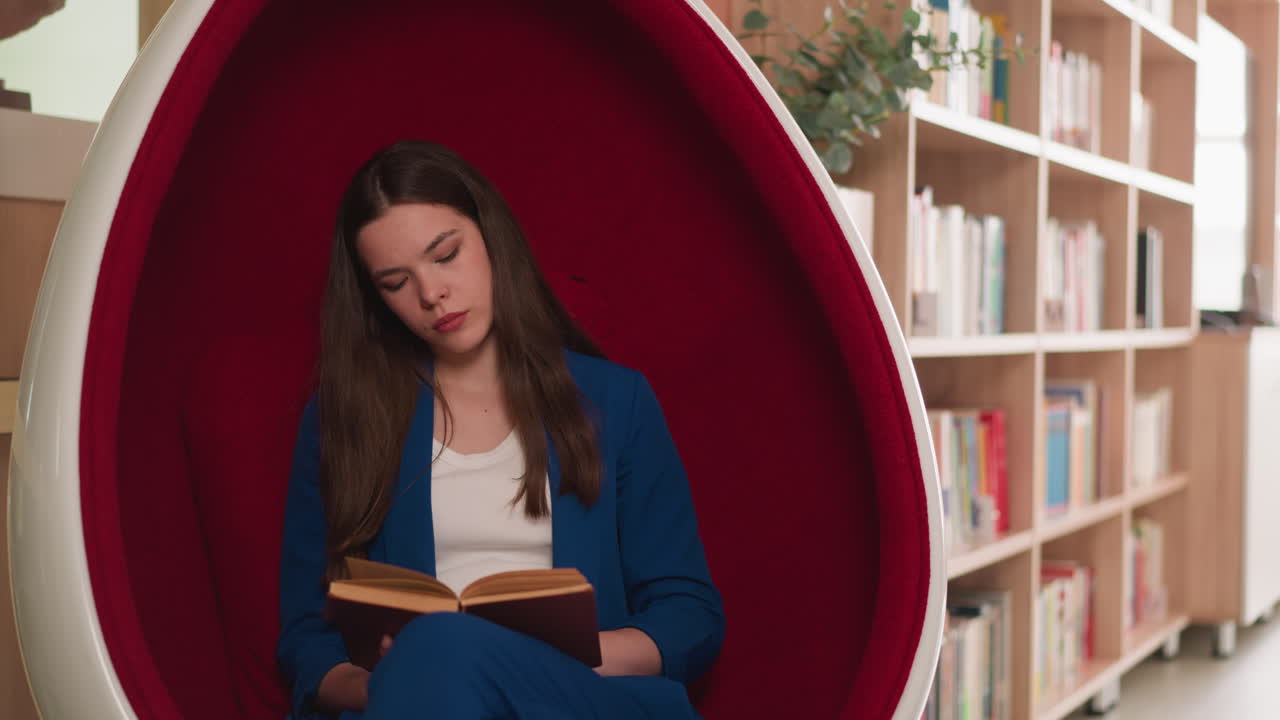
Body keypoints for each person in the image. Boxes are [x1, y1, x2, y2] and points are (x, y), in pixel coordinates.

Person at [276, 140, 725, 719]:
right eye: (395, 282)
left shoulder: (618, 402)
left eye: (445, 255)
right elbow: (306, 640)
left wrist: (524, 656)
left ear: (490, 236)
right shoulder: (342, 419)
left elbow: (688, 616)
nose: (431, 294)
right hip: (412, 704)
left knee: (445, 644)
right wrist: (399, 680)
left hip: (579, 698)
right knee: (436, 651)